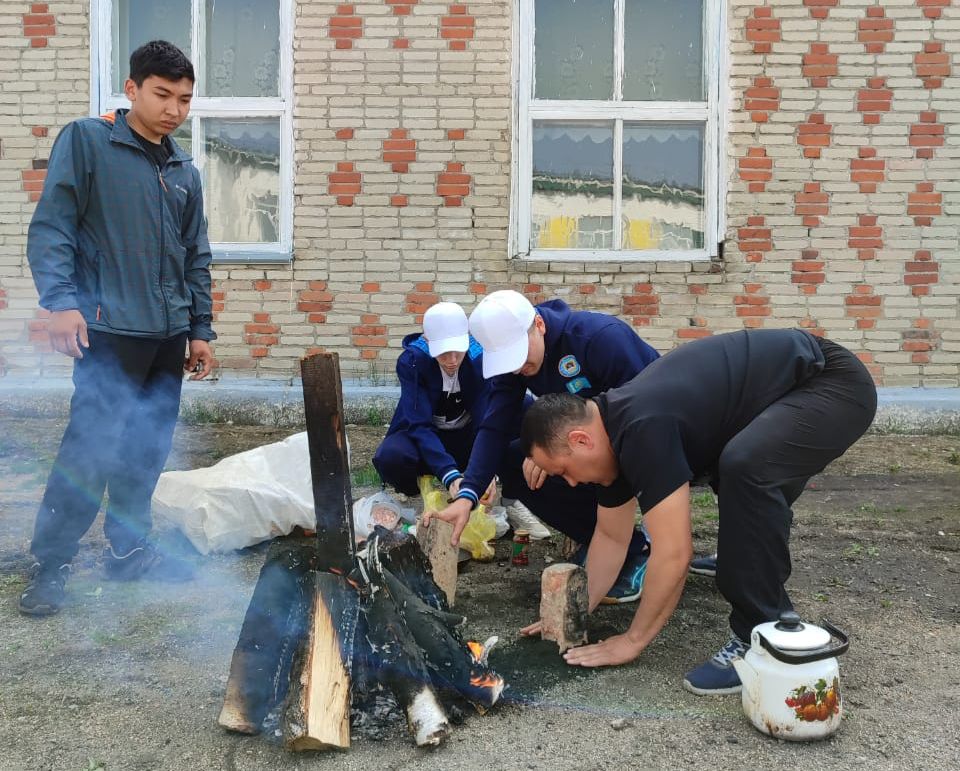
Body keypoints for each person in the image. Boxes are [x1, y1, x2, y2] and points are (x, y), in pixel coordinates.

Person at [517, 329, 877, 694]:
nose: (572, 483)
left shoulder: (643, 427)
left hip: (832, 383)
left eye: (563, 470)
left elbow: (673, 554)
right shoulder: (612, 435)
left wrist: (632, 640)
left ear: (581, 439)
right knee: (742, 478)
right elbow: (611, 537)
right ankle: (745, 565)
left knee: (747, 468)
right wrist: (576, 610)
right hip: (787, 391)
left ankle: (760, 637)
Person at [19, 41, 215, 617]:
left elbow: (195, 255)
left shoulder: (184, 170)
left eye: (184, 99)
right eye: (162, 95)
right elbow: (52, 225)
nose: (174, 109)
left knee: (146, 449)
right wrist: (59, 301)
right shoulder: (88, 142)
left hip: (166, 333)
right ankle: (51, 564)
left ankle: (129, 552)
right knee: (90, 450)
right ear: (131, 89)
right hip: (107, 330)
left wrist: (199, 327)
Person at [426, 290, 661, 603]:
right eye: (508, 360)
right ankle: (606, 542)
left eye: (520, 354)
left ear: (539, 324)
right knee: (513, 460)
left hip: (643, 439)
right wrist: (468, 494)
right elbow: (494, 426)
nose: (519, 366)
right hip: (582, 447)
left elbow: (645, 410)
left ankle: (636, 554)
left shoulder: (600, 339)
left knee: (545, 456)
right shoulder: (516, 367)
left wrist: (554, 448)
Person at [373, 301, 496, 502]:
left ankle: (512, 496)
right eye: (444, 352)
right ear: (428, 342)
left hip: (466, 436)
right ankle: (416, 494)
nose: (453, 360)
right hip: (424, 437)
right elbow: (418, 424)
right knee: (391, 455)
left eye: (458, 350)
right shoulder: (412, 362)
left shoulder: (478, 359)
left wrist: (485, 467)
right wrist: (449, 474)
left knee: (519, 410)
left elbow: (486, 417)